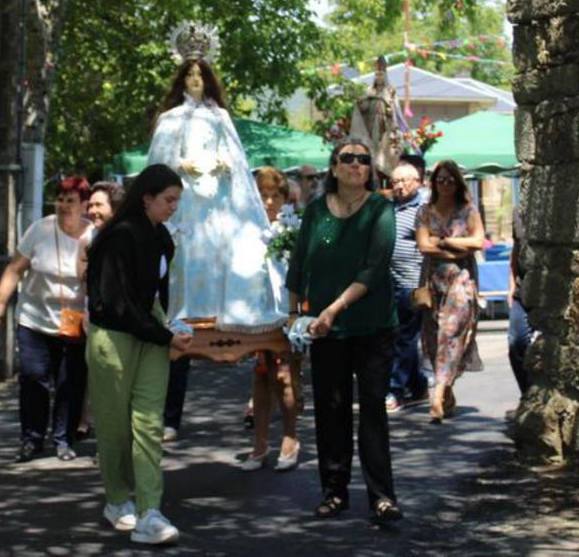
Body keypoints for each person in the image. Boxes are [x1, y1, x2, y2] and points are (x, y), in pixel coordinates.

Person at [148, 29, 285, 440]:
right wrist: (182, 165)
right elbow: (158, 164)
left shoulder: (220, 117)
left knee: (223, 259)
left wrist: (222, 164)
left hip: (218, 211)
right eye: (188, 75)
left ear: (208, 79)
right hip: (185, 208)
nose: (194, 82)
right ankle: (166, 416)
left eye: (200, 75)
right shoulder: (170, 120)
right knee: (181, 276)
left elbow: (240, 166)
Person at [286, 138, 402, 523]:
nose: (356, 164)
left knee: (372, 411)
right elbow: (299, 262)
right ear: (334, 168)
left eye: (363, 160)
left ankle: (382, 497)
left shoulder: (381, 208)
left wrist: (333, 308)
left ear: (370, 169)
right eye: (348, 159)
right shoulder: (317, 210)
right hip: (325, 331)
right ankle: (334, 492)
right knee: (330, 410)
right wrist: (291, 315)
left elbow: (373, 268)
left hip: (371, 326)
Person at [86, 163, 191, 545]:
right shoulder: (117, 238)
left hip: (150, 336)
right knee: (114, 427)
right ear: (146, 197)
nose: (173, 207)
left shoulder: (162, 237)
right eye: (169, 200)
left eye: (177, 201)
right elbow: (117, 304)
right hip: (113, 339)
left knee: (148, 424)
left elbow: (155, 297)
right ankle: (116, 498)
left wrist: (169, 330)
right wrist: (164, 334)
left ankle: (150, 511)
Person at [0, 176, 91, 463]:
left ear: (84, 205)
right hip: (34, 318)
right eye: (60, 199)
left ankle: (63, 439)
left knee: (71, 382)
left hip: (75, 321)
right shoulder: (40, 229)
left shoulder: (93, 236)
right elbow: (14, 269)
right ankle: (31, 438)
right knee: (33, 377)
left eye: (71, 200)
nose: (64, 206)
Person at [415, 160, 487, 424]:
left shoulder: (468, 210)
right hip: (433, 281)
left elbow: (478, 241)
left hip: (461, 280)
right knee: (433, 338)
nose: (445, 184)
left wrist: (443, 240)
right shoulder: (425, 211)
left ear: (458, 183)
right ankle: (449, 390)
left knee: (450, 332)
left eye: (450, 179)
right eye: (440, 179)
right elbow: (423, 245)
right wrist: (457, 249)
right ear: (434, 183)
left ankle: (437, 396)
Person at [241, 166, 302, 472]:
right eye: (263, 195)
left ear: (284, 197)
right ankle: (260, 445)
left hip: (287, 311)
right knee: (261, 376)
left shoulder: (293, 226)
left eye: (274, 195)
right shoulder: (248, 229)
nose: (268, 202)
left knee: (285, 377)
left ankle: (290, 438)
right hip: (257, 311)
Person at [75, 181, 124, 438]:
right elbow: (82, 279)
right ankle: (105, 437)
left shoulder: (130, 236)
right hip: (97, 319)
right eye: (90, 205)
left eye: (98, 205)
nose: (92, 210)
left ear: (114, 208)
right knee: (101, 380)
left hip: (128, 323)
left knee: (122, 382)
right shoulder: (87, 239)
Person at [385, 162, 428, 413]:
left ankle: (396, 390)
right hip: (388, 284)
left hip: (411, 284)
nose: (399, 186)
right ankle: (418, 385)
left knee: (404, 338)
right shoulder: (388, 207)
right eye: (395, 182)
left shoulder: (423, 210)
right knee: (398, 337)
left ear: (417, 182)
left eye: (405, 181)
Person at [506, 211, 535, 403]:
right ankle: (527, 395)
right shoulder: (519, 213)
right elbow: (516, 250)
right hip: (522, 289)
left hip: (546, 287)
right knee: (516, 341)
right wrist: (511, 286)